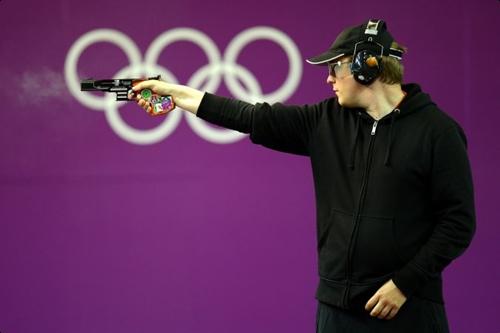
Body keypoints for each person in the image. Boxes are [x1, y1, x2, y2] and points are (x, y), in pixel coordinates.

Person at [129, 19, 475, 333]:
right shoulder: (324, 121)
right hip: (336, 312)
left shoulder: (437, 132)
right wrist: (177, 94)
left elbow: (458, 222)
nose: (328, 79)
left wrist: (404, 284)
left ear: (365, 66)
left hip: (406, 310)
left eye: (334, 68)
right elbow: (250, 117)